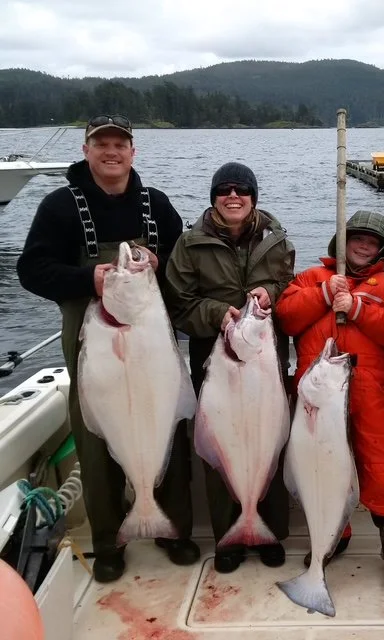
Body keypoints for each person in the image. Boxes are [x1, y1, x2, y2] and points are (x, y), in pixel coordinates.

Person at [16, 114, 200, 583]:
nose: (112, 151)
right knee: (97, 447)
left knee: (169, 436)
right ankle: (108, 544)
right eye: (102, 144)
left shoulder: (156, 204)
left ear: (133, 152)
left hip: (151, 345)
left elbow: (183, 268)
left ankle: (172, 529)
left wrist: (159, 266)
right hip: (96, 345)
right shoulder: (60, 206)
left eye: (121, 143)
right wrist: (88, 278)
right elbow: (32, 270)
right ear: (87, 150)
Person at [163, 161, 295, 573]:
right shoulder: (189, 244)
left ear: (254, 196)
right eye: (224, 190)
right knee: (221, 447)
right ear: (214, 198)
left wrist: (270, 292)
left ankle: (268, 528)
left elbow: (290, 284)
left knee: (268, 442)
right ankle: (228, 537)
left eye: (241, 189)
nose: (233, 196)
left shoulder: (277, 239)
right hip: (215, 356)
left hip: (265, 356)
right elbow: (179, 304)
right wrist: (220, 312)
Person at [275, 210, 384, 594]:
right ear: (342, 240)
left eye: (372, 240)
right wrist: (323, 294)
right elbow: (286, 318)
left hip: (368, 397)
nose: (363, 244)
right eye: (357, 237)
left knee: (381, 469)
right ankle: (335, 537)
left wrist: (354, 307)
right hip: (316, 400)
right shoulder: (309, 279)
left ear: (381, 248)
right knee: (323, 471)